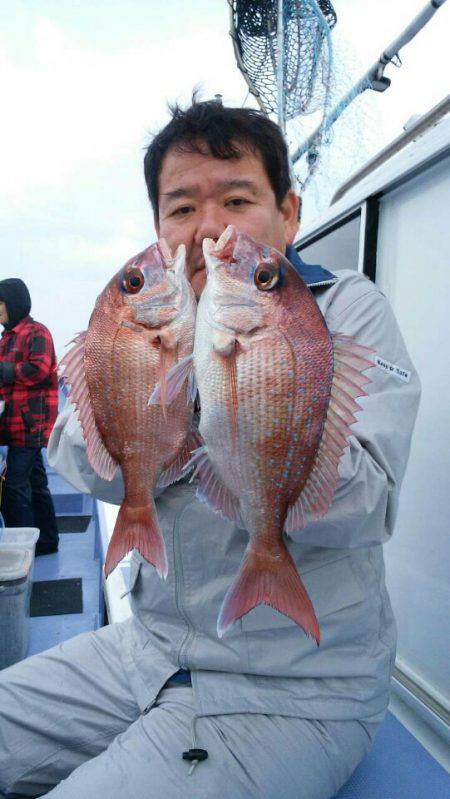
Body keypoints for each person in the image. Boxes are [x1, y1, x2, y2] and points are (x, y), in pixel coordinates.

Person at [0, 100, 420, 799]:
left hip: (297, 688)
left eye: (237, 198)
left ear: (288, 213)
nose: (210, 228)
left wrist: (230, 392)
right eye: (182, 207)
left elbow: (369, 500)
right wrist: (156, 414)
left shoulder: (346, 310)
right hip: (150, 651)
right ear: (159, 228)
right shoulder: (140, 316)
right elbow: (72, 447)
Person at [0, 279, 59, 555]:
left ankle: (20, 552)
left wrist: (4, 369)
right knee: (36, 484)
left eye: (0, 303)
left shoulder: (37, 332)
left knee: (13, 490)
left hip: (29, 426)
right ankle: (46, 542)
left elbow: (38, 371)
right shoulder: (7, 338)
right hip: (12, 426)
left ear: (14, 303)